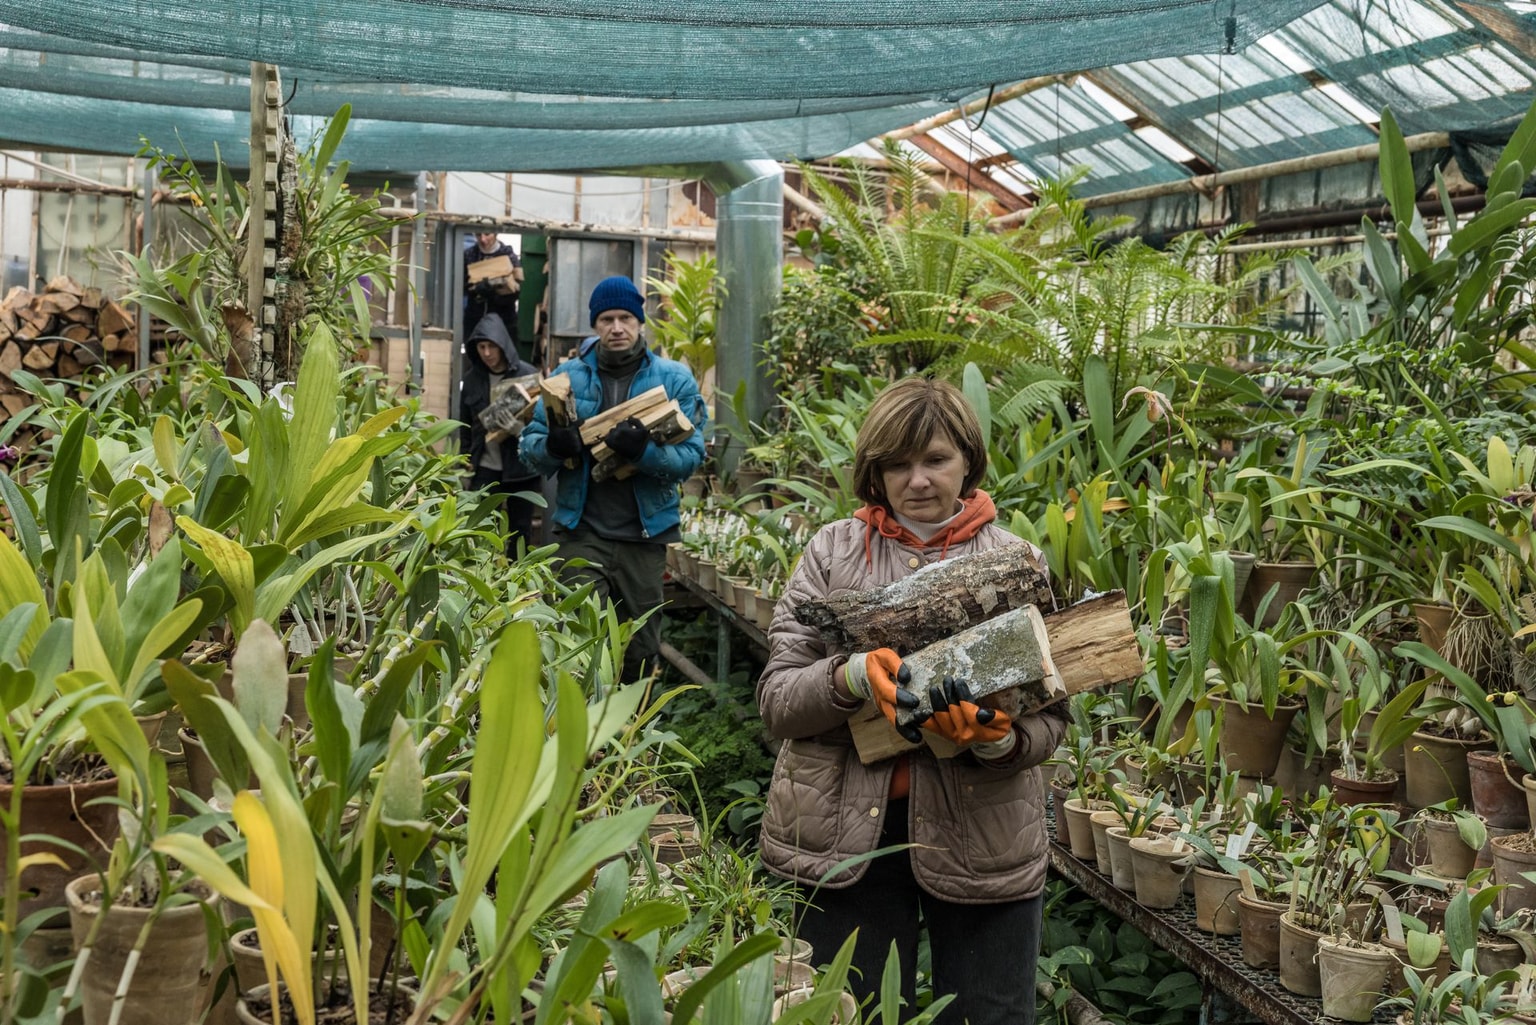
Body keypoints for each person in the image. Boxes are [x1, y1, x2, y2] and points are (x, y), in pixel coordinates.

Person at [756, 376, 1068, 1025]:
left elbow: (1053, 719)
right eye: (897, 463)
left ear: (968, 460)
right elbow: (778, 699)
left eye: (935, 459)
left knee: (990, 1015)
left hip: (984, 838)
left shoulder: (1017, 562)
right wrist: (848, 678)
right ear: (874, 469)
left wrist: (1000, 739)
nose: (917, 479)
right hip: (840, 840)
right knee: (850, 1012)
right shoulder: (831, 553)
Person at [519, 276, 707, 680]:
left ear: (640, 322)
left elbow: (692, 456)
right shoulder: (567, 377)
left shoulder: (674, 380)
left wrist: (644, 452)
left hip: (644, 537)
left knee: (640, 649)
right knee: (580, 644)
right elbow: (527, 447)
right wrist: (554, 446)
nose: (616, 327)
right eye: (606, 319)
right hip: (581, 530)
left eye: (625, 317)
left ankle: (629, 731)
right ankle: (580, 737)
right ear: (595, 324)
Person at [458, 312, 543, 551]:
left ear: (503, 345)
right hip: (485, 467)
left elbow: (542, 424)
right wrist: (465, 462)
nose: (486, 353)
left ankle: (518, 581)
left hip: (520, 469)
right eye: (481, 347)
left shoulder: (527, 374)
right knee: (483, 527)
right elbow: (464, 425)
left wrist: (519, 430)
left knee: (520, 530)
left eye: (491, 346)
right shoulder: (472, 380)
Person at [464, 230, 523, 344]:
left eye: (487, 234)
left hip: (503, 317)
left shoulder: (508, 255)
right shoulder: (469, 255)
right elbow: (462, 285)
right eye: (478, 234)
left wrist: (494, 294)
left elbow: (517, 288)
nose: (483, 239)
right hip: (475, 316)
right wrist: (475, 289)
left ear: (496, 234)